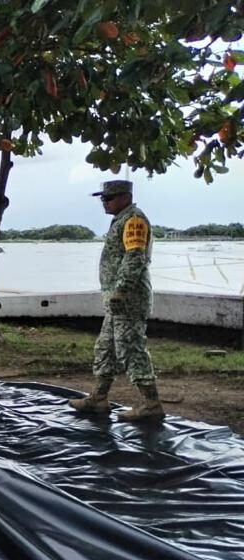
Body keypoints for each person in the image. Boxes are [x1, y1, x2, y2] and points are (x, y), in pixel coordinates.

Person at [68, 180, 164, 422]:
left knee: (131, 349)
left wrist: (121, 291)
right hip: (116, 300)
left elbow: (134, 258)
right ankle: (99, 398)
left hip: (129, 300)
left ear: (125, 197)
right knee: (106, 348)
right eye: (103, 198)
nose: (104, 202)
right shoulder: (121, 220)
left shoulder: (134, 220)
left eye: (108, 198)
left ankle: (151, 403)